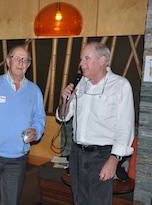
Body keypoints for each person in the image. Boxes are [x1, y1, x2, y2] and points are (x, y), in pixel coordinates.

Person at [56, 41, 134, 205]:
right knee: (80, 200)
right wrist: (65, 101)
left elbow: (125, 127)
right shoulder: (80, 83)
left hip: (102, 156)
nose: (81, 63)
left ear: (102, 60)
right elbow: (63, 117)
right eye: (80, 59)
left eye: (86, 58)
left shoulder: (120, 86)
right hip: (77, 153)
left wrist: (113, 160)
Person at [0, 45, 46, 205]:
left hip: (17, 159)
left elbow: (40, 119)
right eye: (17, 58)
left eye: (25, 60)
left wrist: (36, 131)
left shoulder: (34, 91)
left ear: (28, 65)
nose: (21, 62)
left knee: (11, 202)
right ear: (8, 61)